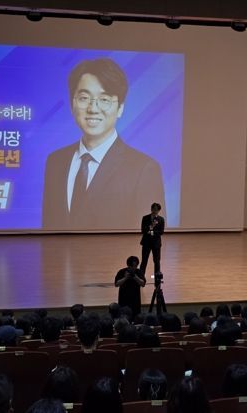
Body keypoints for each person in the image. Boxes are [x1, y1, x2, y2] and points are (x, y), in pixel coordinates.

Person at [42, 57, 165, 230]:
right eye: (84, 98)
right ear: (72, 104)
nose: (93, 108)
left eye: (104, 99)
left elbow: (151, 234)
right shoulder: (55, 161)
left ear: (120, 108)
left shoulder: (144, 169)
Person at [140, 202, 165, 277]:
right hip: (146, 243)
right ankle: (141, 277)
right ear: (151, 209)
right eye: (153, 209)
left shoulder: (161, 219)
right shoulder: (145, 218)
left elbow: (161, 232)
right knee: (144, 260)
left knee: (157, 261)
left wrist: (151, 232)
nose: (154, 211)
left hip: (156, 243)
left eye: (156, 210)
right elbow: (143, 230)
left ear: (159, 210)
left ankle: (156, 278)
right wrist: (152, 226)